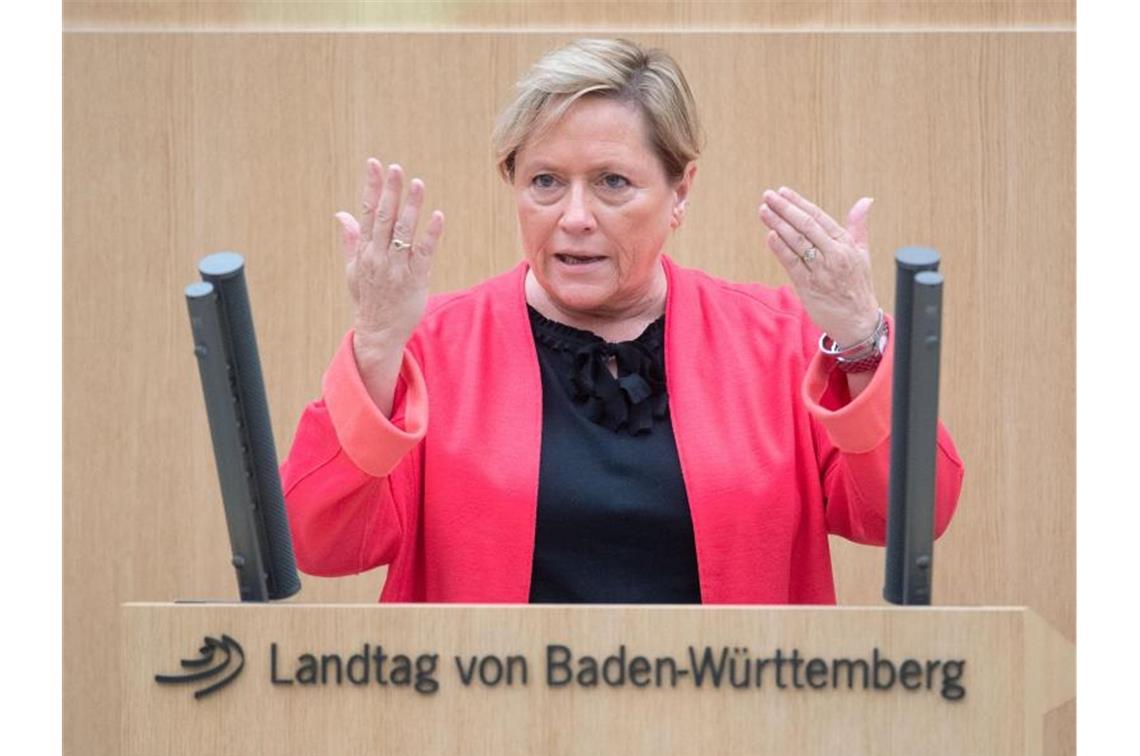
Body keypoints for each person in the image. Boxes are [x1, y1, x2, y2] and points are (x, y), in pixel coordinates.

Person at [281, 38, 964, 604]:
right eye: (545, 181)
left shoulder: (778, 340)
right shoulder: (433, 348)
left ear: (680, 192)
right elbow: (323, 543)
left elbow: (908, 518)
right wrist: (375, 345)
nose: (574, 216)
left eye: (612, 182)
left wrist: (859, 341)